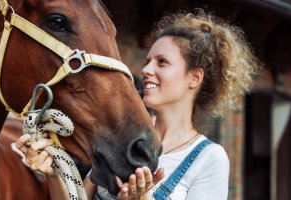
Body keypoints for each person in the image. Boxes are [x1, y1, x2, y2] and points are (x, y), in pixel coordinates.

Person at [15, 9, 258, 200]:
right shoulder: (123, 136)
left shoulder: (210, 159)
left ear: (194, 77)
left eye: (162, 62)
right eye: (147, 61)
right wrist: (54, 173)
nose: (146, 70)